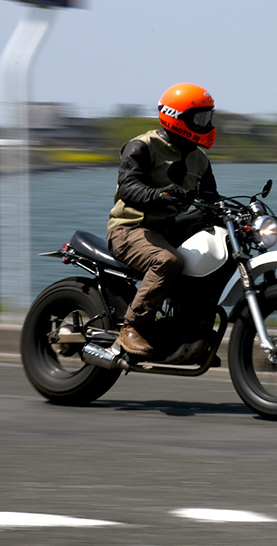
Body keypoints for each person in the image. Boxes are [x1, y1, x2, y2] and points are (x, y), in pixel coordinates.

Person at [106, 82, 218, 359]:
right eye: (199, 118)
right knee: (167, 261)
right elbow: (128, 188)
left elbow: (211, 198)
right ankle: (131, 328)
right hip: (130, 228)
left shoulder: (199, 159)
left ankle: (190, 331)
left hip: (169, 229)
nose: (206, 124)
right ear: (176, 117)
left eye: (208, 117)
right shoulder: (142, 146)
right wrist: (159, 195)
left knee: (215, 255)